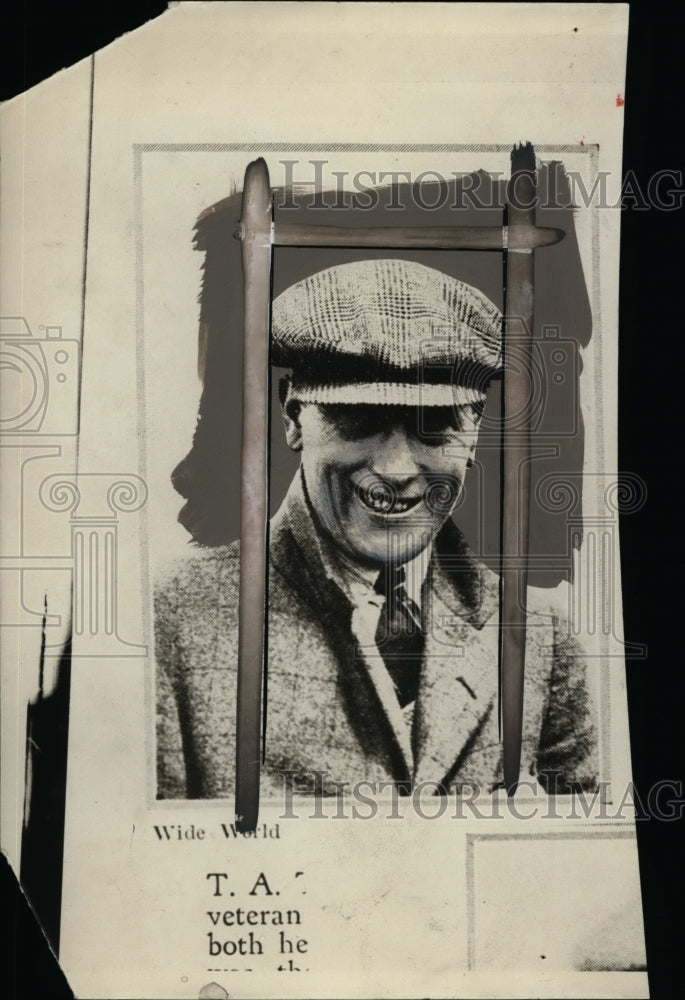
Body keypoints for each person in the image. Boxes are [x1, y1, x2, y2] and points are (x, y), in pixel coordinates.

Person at [155, 258, 597, 800]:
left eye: (434, 425)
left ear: (476, 428)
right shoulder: (168, 621)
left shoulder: (541, 636)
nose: (394, 469)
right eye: (359, 418)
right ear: (293, 417)